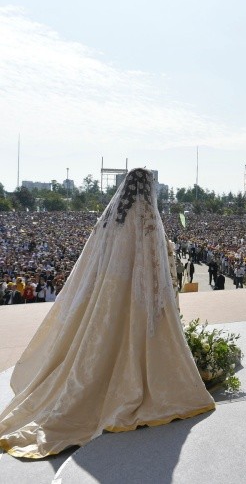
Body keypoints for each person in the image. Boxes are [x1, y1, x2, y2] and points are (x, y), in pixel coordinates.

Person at [0, 168, 214, 459]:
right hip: (133, 291)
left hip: (106, 291)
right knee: (130, 337)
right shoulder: (147, 216)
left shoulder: (108, 220)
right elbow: (154, 264)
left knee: (101, 339)